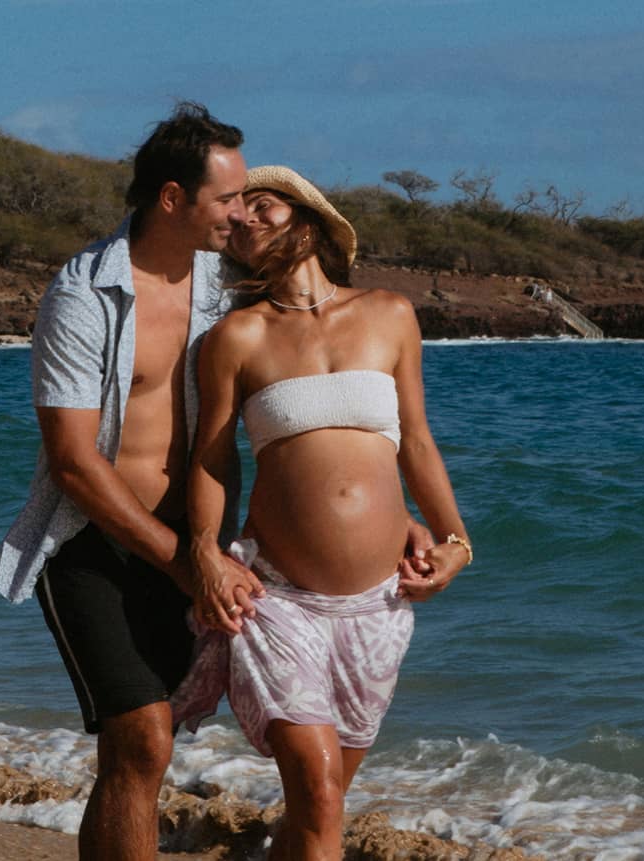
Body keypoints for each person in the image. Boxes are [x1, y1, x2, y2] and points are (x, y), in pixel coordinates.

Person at [0, 102, 265, 860]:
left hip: (194, 542)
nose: (240, 214)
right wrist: (183, 564)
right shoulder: (82, 294)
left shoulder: (227, 285)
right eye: (227, 198)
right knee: (142, 738)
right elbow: (74, 462)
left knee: (138, 750)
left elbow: (310, 373)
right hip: (93, 543)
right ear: (173, 198)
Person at [172, 166, 472, 860]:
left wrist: (456, 540)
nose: (247, 219)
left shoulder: (390, 313)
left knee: (320, 807)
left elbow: (416, 442)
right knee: (319, 792)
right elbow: (213, 460)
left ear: (308, 222)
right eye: (237, 216)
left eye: (263, 205)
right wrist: (207, 552)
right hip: (278, 598)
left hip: (379, 605)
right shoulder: (236, 337)